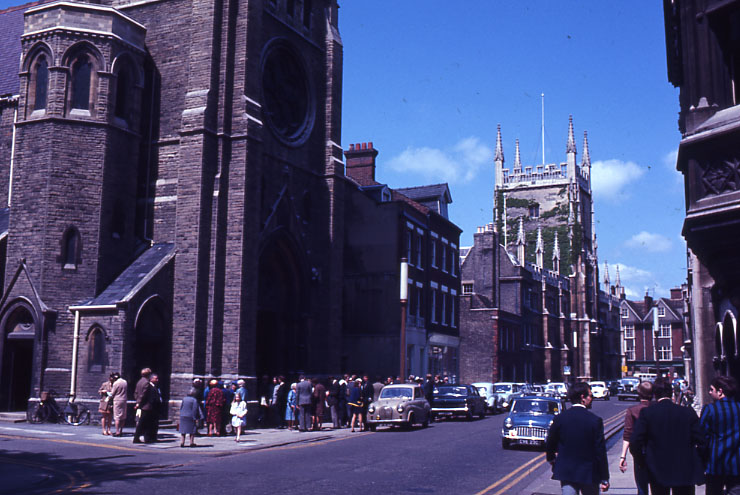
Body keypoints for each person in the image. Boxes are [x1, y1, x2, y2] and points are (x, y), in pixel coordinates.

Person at [630, 377, 707, 495]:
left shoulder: (647, 413)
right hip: (684, 469)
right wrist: (699, 461)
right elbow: (702, 442)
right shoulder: (688, 413)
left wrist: (642, 461)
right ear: (671, 394)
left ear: (655, 395)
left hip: (656, 469)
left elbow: (635, 442)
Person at [545, 381, 609, 494]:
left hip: (567, 472)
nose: (592, 398)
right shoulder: (595, 421)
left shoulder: (560, 418)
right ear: (583, 397)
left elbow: (550, 442)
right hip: (589, 474)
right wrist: (604, 477)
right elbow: (600, 451)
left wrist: (551, 459)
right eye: (590, 395)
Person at [700, 375, 740, 495]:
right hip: (736, 463)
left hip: (716, 463)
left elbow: (702, 436)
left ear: (720, 391)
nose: (710, 392)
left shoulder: (710, 409)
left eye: (711, 389)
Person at [619, 381, 653, 495]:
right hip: (657, 452)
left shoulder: (632, 410)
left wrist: (623, 456)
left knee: (642, 488)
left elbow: (628, 434)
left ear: (639, 393)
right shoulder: (657, 408)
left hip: (640, 454)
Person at [133, 368, 154, 444]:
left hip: (140, 405)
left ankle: (137, 438)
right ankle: (146, 438)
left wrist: (137, 401)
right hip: (146, 406)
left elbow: (136, 393)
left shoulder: (139, 382)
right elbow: (143, 394)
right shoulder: (146, 383)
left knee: (140, 422)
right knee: (145, 423)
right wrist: (139, 402)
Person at [110, 372, 128, 437]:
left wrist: (107, 393)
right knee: (123, 416)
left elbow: (112, 393)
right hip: (124, 400)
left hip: (117, 400)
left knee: (117, 417)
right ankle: (121, 431)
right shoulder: (125, 382)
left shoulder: (116, 383)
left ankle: (117, 431)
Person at [148, 373, 163, 442]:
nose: (157, 380)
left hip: (156, 408)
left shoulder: (156, 387)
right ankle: (149, 438)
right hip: (152, 408)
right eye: (156, 378)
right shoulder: (149, 387)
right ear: (151, 379)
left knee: (155, 424)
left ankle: (154, 437)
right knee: (151, 424)